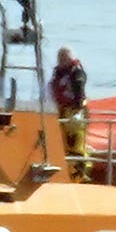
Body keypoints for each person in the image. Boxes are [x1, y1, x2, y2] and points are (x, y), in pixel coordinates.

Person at [50, 46, 89, 181]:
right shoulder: (59, 72)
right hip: (62, 110)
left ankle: (79, 174)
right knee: (63, 142)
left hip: (74, 110)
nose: (60, 61)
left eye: (63, 58)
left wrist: (78, 109)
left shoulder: (76, 72)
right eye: (59, 58)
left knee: (76, 142)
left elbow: (79, 89)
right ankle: (67, 169)